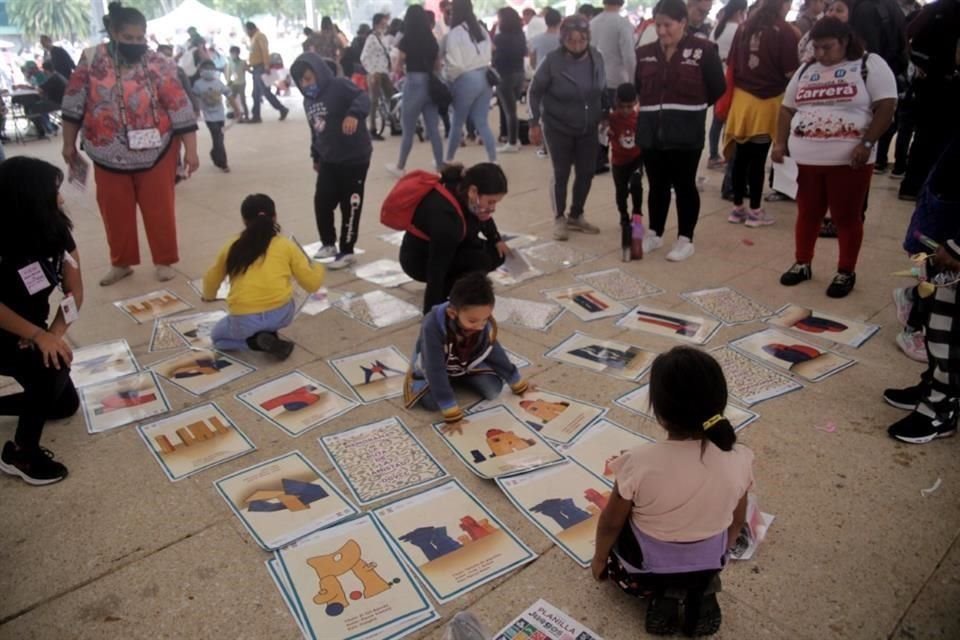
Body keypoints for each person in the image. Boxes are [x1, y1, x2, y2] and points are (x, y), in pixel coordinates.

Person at [591, 346, 753, 637]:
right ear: (720, 403)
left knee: (624, 516)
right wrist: (719, 554)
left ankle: (662, 596)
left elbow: (610, 523)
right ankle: (703, 592)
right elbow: (737, 520)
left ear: (659, 412)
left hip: (649, 563)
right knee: (702, 567)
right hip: (708, 560)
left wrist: (600, 559)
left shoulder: (637, 461)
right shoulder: (740, 456)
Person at [61, 2, 199, 287]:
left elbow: (178, 104)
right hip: (106, 151)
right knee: (114, 211)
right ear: (113, 32)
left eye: (140, 38)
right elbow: (73, 103)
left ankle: (164, 260)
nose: (135, 44)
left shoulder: (159, 62)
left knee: (159, 208)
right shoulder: (90, 60)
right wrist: (68, 144)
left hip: (157, 150)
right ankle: (121, 262)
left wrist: (192, 150)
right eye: (129, 38)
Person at [774, 17, 897, 298]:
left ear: (845, 42)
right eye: (816, 47)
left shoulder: (868, 64)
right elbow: (786, 109)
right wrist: (780, 142)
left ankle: (845, 271)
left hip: (848, 161)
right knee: (808, 213)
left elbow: (886, 106)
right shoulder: (807, 69)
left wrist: (867, 143)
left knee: (846, 216)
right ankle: (802, 262)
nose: (820, 54)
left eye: (827, 47)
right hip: (807, 160)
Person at [0, 157, 83, 485]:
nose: (61, 198)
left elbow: (75, 291)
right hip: (7, 331)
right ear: (26, 197)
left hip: (32, 331)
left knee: (64, 405)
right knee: (54, 367)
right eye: (53, 192)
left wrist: (54, 332)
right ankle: (21, 453)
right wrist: (35, 334)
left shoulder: (55, 229)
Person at [635, 0, 726, 261]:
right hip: (651, 130)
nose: (662, 31)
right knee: (656, 185)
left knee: (684, 185)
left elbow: (717, 87)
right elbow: (639, 86)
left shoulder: (704, 50)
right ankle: (654, 233)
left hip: (686, 131)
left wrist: (692, 107)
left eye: (668, 25)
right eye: (658, 24)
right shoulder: (645, 52)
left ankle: (686, 239)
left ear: (683, 23)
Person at [203, 194, 324, 360]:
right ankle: (268, 333)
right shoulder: (285, 245)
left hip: (244, 319)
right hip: (282, 315)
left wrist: (208, 296)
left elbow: (212, 278)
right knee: (279, 304)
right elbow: (312, 285)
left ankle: (256, 343)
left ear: (244, 220)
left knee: (218, 339)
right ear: (275, 217)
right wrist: (317, 266)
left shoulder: (232, 245)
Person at [403, 272, 529, 424]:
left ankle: (456, 380)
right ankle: (449, 384)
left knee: (493, 391)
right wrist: (451, 412)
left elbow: (494, 352)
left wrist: (516, 382)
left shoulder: (482, 323)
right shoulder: (432, 325)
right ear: (452, 313)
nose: (479, 327)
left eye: (484, 320)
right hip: (435, 367)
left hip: (466, 365)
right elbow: (434, 367)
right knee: (433, 404)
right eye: (472, 321)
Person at [291, 52, 372, 271]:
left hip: (354, 157)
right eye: (301, 81)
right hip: (329, 159)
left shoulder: (339, 86)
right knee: (322, 201)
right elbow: (315, 131)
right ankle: (328, 243)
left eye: (309, 78)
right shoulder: (309, 100)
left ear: (318, 73)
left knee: (350, 205)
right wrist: (316, 155)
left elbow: (362, 97)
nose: (306, 84)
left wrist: (354, 114)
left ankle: (347, 250)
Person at [528, 15, 606, 242]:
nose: (577, 45)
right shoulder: (552, 61)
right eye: (571, 41)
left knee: (586, 172)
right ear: (563, 39)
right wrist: (534, 123)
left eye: (582, 40)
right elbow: (534, 91)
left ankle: (576, 214)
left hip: (588, 126)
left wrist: (605, 113)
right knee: (561, 173)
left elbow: (602, 88)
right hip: (557, 126)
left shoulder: (596, 57)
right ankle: (559, 217)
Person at [724, 0, 799, 228]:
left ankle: (737, 208)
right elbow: (791, 72)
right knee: (757, 160)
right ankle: (755, 211)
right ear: (783, 5)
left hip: (742, 101)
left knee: (740, 157)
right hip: (767, 101)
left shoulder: (744, 27)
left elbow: (732, 62)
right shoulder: (785, 31)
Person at [398, 163, 509, 313]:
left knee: (497, 253)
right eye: (491, 201)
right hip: (419, 260)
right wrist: (433, 315)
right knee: (479, 260)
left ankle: (457, 285)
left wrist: (496, 239)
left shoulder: (462, 185)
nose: (493, 208)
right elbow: (436, 270)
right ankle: (452, 294)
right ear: (473, 191)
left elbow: (484, 216)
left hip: (451, 244)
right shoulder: (446, 218)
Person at [897, 0, 960, 200]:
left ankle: (931, 189)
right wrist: (918, 64)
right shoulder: (937, 10)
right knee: (927, 136)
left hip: (945, 84)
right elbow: (906, 35)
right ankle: (914, 186)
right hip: (934, 85)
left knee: (941, 140)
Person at [387, 5, 445, 177]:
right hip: (430, 83)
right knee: (433, 128)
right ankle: (440, 166)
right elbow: (438, 65)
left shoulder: (407, 39)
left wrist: (395, 73)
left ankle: (400, 166)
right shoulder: (431, 39)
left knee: (408, 128)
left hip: (413, 83)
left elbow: (398, 65)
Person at [442, 0, 497, 164]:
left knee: (458, 122)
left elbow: (455, 63)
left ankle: (449, 159)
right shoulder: (480, 29)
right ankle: (493, 159)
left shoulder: (455, 33)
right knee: (482, 121)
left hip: (466, 78)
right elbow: (490, 52)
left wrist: (450, 79)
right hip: (485, 77)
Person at [591, 0, 638, 174]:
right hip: (618, 80)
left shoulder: (593, 23)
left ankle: (597, 159)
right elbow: (628, 56)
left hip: (596, 79)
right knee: (622, 121)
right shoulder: (623, 24)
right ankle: (624, 155)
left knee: (601, 122)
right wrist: (633, 82)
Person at [707, 0, 748, 168]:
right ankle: (726, 155)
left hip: (715, 77)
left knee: (717, 119)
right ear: (740, 11)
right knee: (727, 120)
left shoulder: (717, 28)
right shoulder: (739, 30)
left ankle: (713, 154)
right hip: (731, 80)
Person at [608, 83, 644, 260]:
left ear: (635, 103)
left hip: (636, 159)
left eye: (630, 106)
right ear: (617, 104)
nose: (626, 110)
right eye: (622, 107)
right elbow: (603, 136)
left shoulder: (639, 118)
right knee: (621, 192)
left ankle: (637, 216)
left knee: (636, 185)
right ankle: (624, 215)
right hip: (618, 162)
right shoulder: (612, 119)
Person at [492, 7, 526, 154]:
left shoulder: (500, 38)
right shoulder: (520, 35)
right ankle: (515, 139)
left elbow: (494, 54)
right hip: (519, 73)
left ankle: (512, 141)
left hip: (504, 76)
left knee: (509, 111)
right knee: (513, 109)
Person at [243, 21, 289, 123]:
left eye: (247, 31)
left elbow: (264, 51)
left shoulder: (260, 36)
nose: (246, 33)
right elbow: (254, 55)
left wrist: (266, 66)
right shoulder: (253, 38)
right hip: (255, 68)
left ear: (251, 29)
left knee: (265, 92)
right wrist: (249, 65)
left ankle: (282, 109)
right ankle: (256, 115)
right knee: (255, 93)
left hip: (261, 68)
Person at [191, 60, 231, 172]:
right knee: (217, 136)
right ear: (201, 71)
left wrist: (237, 109)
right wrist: (196, 111)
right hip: (209, 117)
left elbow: (229, 94)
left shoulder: (218, 83)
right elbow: (195, 98)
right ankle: (223, 163)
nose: (209, 70)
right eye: (206, 68)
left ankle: (214, 153)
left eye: (211, 68)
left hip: (220, 116)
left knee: (219, 138)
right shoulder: (198, 84)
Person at [361, 12, 396, 140]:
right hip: (375, 73)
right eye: (382, 23)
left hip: (384, 71)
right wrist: (371, 71)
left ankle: (394, 124)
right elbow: (363, 57)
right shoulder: (371, 38)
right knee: (374, 101)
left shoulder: (381, 37)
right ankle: (372, 129)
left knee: (391, 97)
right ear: (376, 24)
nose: (385, 25)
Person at [226, 45, 248, 121]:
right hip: (233, 84)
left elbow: (246, 70)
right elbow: (229, 73)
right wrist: (228, 82)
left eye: (235, 53)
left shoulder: (243, 62)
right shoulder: (230, 63)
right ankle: (237, 116)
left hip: (242, 83)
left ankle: (246, 116)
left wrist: (247, 66)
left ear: (238, 53)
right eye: (232, 53)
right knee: (232, 100)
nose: (233, 55)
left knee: (243, 100)